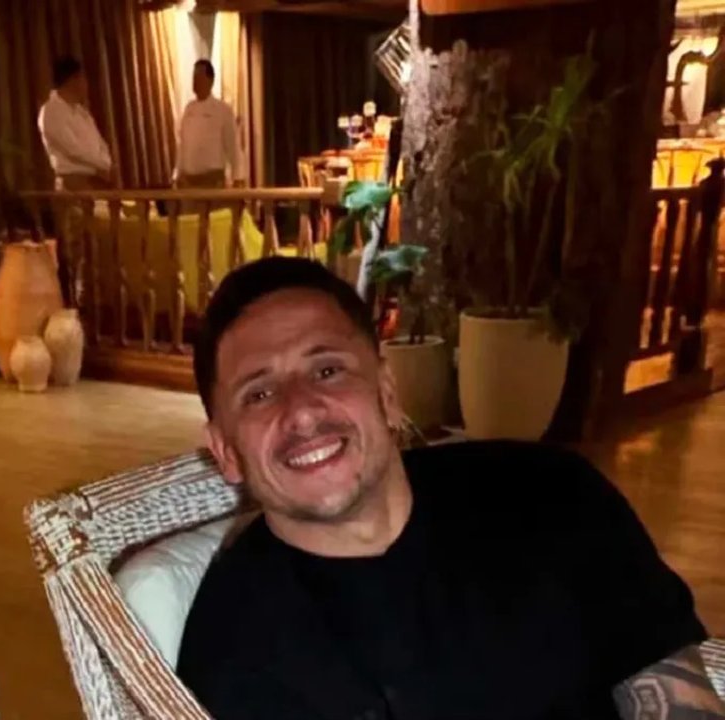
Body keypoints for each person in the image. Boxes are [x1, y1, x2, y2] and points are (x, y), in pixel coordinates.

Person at [178, 256, 724, 720]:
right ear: (226, 451)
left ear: (387, 393)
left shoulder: (551, 494)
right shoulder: (236, 651)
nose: (302, 412)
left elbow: (674, 690)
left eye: (327, 371)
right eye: (259, 394)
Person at [37, 56, 116, 191]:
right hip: (73, 181)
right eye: (82, 78)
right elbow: (72, 149)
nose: (86, 84)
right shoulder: (51, 111)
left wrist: (106, 163)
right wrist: (102, 165)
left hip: (97, 178)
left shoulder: (81, 112)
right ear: (72, 80)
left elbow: (100, 143)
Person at [174, 60, 245, 189]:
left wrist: (238, 177)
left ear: (210, 81)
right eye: (194, 77)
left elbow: (233, 145)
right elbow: (182, 146)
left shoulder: (223, 110)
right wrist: (177, 174)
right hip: (188, 181)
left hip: (213, 180)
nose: (195, 81)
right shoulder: (189, 110)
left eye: (199, 77)